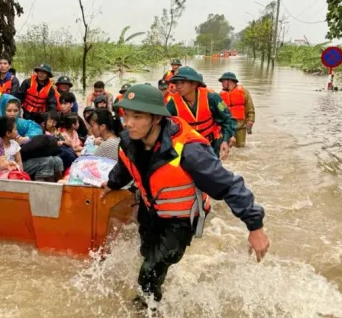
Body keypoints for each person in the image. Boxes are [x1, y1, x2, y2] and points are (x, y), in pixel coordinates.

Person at [100, 84, 269, 310]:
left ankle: (147, 311)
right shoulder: (129, 141)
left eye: (137, 116)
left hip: (180, 220)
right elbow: (126, 167)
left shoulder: (190, 151)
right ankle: (155, 292)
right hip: (150, 212)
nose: (128, 122)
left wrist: (255, 226)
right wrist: (112, 183)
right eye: (126, 115)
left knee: (149, 271)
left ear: (157, 118)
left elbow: (229, 186)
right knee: (148, 256)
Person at [166, 67, 236, 159]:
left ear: (194, 84)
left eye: (182, 82)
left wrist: (225, 140)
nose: (178, 86)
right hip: (188, 147)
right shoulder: (172, 104)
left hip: (211, 145)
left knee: (212, 171)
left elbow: (227, 119)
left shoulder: (212, 98)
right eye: (176, 83)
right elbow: (164, 126)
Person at [218, 72, 255, 148]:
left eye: (223, 81)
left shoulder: (244, 91)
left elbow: (250, 107)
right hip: (227, 126)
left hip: (240, 125)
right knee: (227, 148)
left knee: (240, 147)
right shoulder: (220, 95)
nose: (221, 83)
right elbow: (219, 111)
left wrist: (250, 120)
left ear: (230, 81)